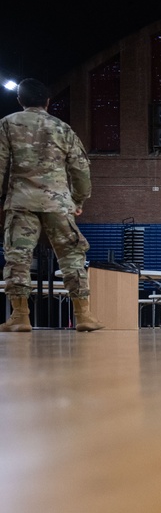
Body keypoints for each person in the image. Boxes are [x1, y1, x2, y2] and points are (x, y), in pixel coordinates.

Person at [0, 78, 103, 332]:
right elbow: (81, 169)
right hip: (58, 204)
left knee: (18, 258)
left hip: (21, 202)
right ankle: (84, 316)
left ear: (20, 100)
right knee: (72, 256)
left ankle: (20, 316)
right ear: (48, 102)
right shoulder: (63, 128)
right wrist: (79, 200)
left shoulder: (7, 124)